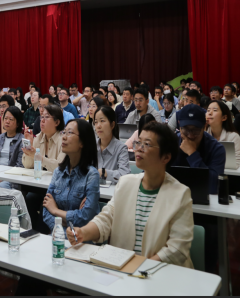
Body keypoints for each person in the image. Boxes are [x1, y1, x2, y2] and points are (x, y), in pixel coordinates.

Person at [68, 122, 194, 268]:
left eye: (147, 144)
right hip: (121, 270)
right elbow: (106, 219)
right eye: (138, 142)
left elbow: (177, 249)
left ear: (165, 157)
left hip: (158, 273)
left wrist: (140, 267)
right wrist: (83, 232)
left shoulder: (180, 194)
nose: (138, 148)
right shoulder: (125, 183)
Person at [16, 118, 100, 295]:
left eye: (70, 133)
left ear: (82, 142)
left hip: (81, 245)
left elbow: (86, 218)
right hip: (56, 238)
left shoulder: (91, 175)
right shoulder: (59, 172)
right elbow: (46, 209)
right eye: (64, 132)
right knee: (29, 274)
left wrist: (57, 211)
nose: (64, 137)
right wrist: (62, 222)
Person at [22, 105, 66, 230]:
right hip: (40, 186)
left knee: (44, 204)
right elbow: (27, 165)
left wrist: (39, 157)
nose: (42, 120)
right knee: (28, 198)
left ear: (57, 122)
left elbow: (60, 166)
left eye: (47, 117)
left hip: (58, 188)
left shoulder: (63, 140)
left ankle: (42, 233)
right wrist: (30, 146)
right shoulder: (39, 137)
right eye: (42, 117)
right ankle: (32, 231)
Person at [173, 104, 226, 194]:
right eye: (185, 130)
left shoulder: (216, 149)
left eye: (196, 130)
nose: (190, 135)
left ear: (204, 126)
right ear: (179, 126)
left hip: (204, 199)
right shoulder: (171, 144)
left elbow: (214, 185)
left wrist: (193, 154)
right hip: (174, 195)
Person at [0, 106, 24, 189]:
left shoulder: (22, 141)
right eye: (5, 118)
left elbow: (20, 166)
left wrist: (3, 178)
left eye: (11, 119)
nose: (7, 121)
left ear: (18, 123)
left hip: (10, 179)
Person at [94, 106, 130, 182]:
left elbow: (125, 174)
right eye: (96, 122)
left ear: (112, 125)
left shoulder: (121, 148)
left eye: (102, 121)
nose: (98, 126)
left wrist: (104, 173)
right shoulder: (91, 145)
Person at [206, 100, 240, 169]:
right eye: (208, 110)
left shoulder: (234, 136)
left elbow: (237, 163)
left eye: (215, 110)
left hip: (228, 173)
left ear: (224, 117)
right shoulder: (202, 134)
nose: (210, 113)